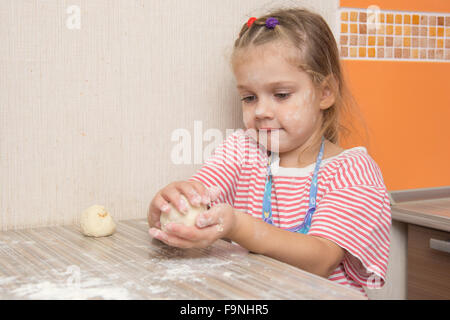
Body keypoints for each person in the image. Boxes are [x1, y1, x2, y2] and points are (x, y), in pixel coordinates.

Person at [147, 7, 391, 296]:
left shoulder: (352, 172)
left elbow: (322, 258)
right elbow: (199, 195)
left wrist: (239, 226)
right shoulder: (241, 150)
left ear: (325, 92)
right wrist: (170, 206)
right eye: (249, 97)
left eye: (281, 94)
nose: (261, 111)